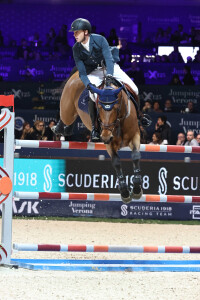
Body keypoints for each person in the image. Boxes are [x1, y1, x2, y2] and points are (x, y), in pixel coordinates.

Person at [68, 18, 139, 142]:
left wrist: (110, 76)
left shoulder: (100, 39)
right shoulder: (76, 48)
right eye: (73, 33)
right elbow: (82, 72)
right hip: (94, 72)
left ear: (85, 32)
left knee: (135, 89)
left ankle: (140, 116)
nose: (74, 35)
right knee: (92, 94)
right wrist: (88, 84)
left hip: (110, 67)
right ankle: (95, 128)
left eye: (76, 32)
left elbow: (109, 60)